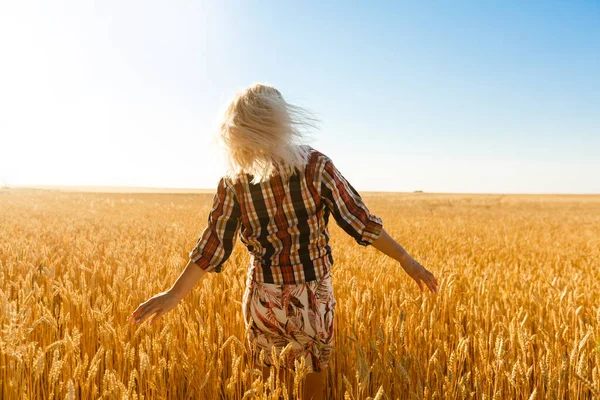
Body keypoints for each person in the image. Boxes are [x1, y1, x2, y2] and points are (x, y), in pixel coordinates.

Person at [128, 83, 439, 400]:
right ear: (280, 121)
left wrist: (175, 293)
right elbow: (359, 221)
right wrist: (404, 258)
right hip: (311, 299)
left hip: (262, 297)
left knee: (266, 390)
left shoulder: (234, 179)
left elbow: (214, 245)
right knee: (310, 392)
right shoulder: (315, 167)